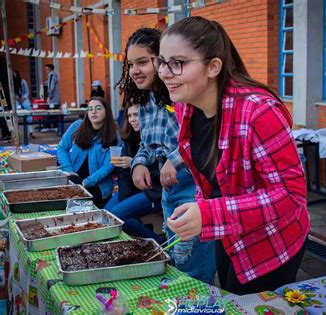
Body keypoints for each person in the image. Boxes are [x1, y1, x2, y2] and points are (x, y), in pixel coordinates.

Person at [159, 17, 309, 295]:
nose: (165, 73)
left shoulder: (259, 112)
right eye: (162, 62)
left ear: (213, 66)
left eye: (177, 63)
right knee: (228, 294)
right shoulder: (185, 107)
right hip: (229, 233)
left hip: (272, 241)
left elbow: (291, 194)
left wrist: (210, 213)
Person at [120, 28, 216, 284]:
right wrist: (139, 163)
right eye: (131, 64)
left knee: (194, 268)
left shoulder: (184, 94)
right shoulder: (146, 100)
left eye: (143, 62)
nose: (135, 70)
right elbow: (147, 145)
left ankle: (199, 309)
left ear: (161, 60)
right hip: (168, 190)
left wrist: (174, 160)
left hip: (192, 188)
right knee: (177, 258)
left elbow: (203, 137)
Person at [105, 103, 162, 241]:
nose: (132, 119)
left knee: (115, 217)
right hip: (131, 190)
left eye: (136, 115)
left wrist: (134, 163)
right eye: (129, 116)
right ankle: (143, 229)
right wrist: (125, 199)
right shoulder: (129, 138)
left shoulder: (157, 136)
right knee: (104, 216)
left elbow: (160, 172)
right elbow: (122, 175)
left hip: (154, 190)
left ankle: (157, 242)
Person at [57, 97, 118, 207]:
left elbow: (109, 166)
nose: (93, 112)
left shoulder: (114, 135)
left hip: (98, 186)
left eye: (98, 108)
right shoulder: (77, 126)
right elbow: (62, 148)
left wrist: (86, 182)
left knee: (78, 205)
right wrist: (69, 170)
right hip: (73, 179)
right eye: (90, 109)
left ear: (107, 111)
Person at [13, 70, 34, 139]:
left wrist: (23, 98)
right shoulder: (11, 82)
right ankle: (16, 132)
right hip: (16, 100)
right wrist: (15, 97)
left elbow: (27, 91)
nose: (14, 75)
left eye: (14, 73)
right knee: (16, 116)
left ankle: (31, 131)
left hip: (24, 99)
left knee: (28, 114)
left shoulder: (23, 82)